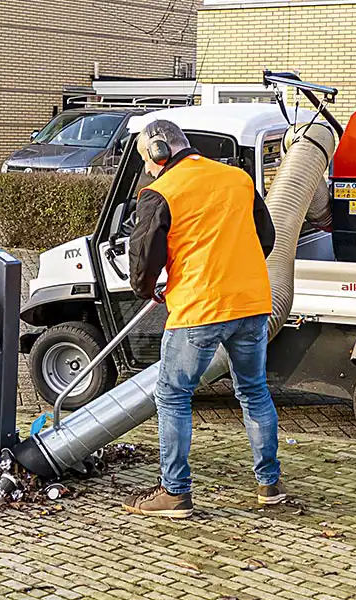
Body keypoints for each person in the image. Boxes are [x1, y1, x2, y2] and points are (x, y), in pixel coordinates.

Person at [121, 119, 284, 519]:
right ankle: (270, 486)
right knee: (254, 392)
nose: (146, 167)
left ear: (159, 151)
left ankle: (174, 493)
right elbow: (267, 238)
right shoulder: (238, 179)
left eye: (146, 158)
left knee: (173, 395)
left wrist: (146, 289)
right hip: (251, 304)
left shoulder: (159, 192)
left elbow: (144, 260)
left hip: (199, 307)